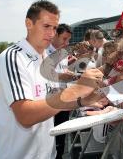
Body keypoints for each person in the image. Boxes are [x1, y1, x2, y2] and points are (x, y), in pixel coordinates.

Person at [0, 0, 103, 159]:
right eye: (46, 26)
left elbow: (55, 101)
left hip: (47, 153)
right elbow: (25, 115)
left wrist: (84, 101)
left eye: (54, 28)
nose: (52, 33)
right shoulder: (13, 57)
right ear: (28, 23)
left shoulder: (48, 58)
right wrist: (76, 90)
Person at [46, 23, 73, 158]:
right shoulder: (44, 53)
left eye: (68, 40)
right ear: (55, 34)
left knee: (62, 134)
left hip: (63, 99)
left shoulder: (63, 53)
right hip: (50, 102)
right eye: (64, 39)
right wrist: (62, 76)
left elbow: (63, 70)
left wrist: (70, 73)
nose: (66, 43)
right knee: (51, 135)